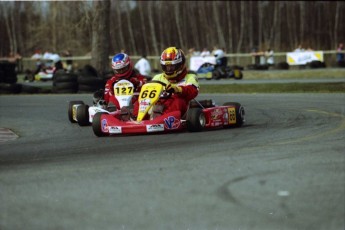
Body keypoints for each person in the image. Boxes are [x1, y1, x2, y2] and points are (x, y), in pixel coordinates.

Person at [137, 47, 199, 117]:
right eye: (166, 67)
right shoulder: (158, 77)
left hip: (180, 110)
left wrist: (177, 89)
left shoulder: (190, 77)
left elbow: (192, 91)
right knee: (141, 100)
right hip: (158, 106)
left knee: (178, 101)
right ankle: (136, 119)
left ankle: (166, 119)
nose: (169, 69)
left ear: (180, 65)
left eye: (172, 66)